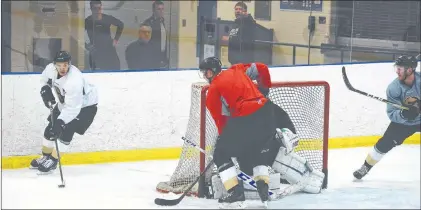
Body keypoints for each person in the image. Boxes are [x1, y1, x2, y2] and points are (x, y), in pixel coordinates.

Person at [199, 57, 275, 208]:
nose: (204, 76)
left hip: (247, 116)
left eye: (205, 73)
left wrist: (224, 139)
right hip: (267, 111)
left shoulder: (213, 89)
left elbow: (221, 121)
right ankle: (263, 188)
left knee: (220, 154)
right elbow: (262, 68)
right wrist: (264, 90)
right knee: (258, 150)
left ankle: (235, 192)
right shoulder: (237, 69)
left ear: (211, 72)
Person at [30, 51, 99, 173]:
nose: (62, 68)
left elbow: (73, 109)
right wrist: (45, 89)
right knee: (50, 128)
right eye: (59, 65)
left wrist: (61, 121)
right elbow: (44, 79)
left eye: (65, 65)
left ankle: (53, 160)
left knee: (66, 130)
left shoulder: (74, 81)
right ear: (54, 64)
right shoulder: (50, 69)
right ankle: (45, 157)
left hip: (84, 107)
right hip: (65, 104)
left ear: (70, 64)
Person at [353, 55, 420, 180]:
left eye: (400, 68)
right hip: (404, 123)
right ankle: (366, 167)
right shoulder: (393, 88)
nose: (397, 71)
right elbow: (392, 113)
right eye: (397, 68)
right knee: (385, 143)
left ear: (410, 70)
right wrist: (403, 114)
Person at [85, 0, 124, 70]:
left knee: (115, 71)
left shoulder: (107, 18)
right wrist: (86, 46)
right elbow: (76, 33)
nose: (98, 11)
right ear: (91, 9)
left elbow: (121, 25)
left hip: (109, 51)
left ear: (101, 8)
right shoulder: (88, 21)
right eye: (95, 8)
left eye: (99, 8)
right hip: (96, 53)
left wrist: (116, 39)